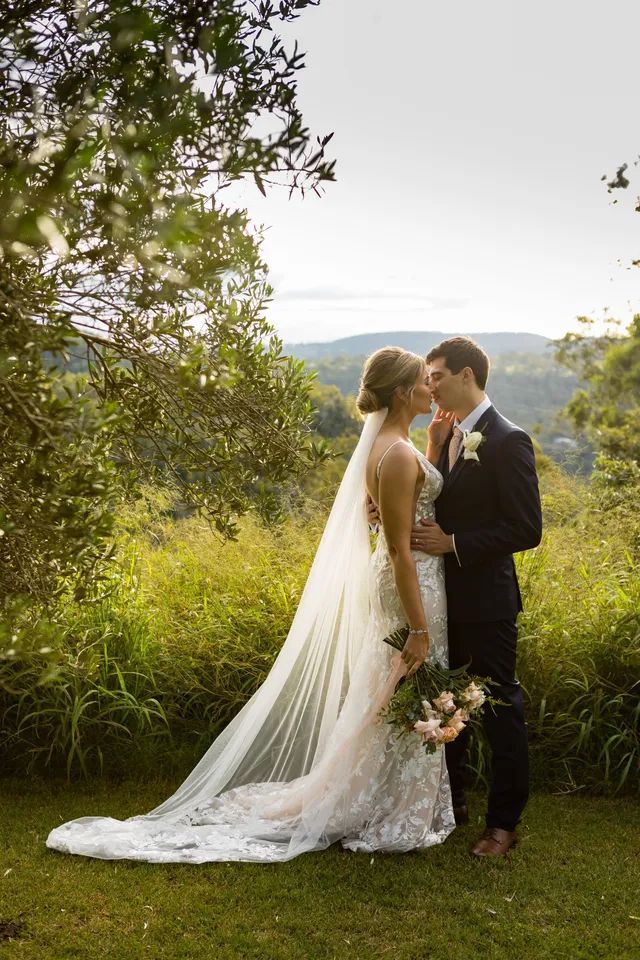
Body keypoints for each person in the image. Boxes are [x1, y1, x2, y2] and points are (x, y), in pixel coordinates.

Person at [46, 347, 458, 864]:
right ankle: (383, 804)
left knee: (387, 686)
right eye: (424, 381)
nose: (431, 389)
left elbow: (384, 517)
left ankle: (375, 796)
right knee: (402, 675)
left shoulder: (390, 444)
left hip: (409, 576)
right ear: (401, 393)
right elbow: (399, 547)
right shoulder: (395, 453)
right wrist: (417, 628)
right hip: (410, 582)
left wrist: (432, 446)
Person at [410, 336, 542, 857]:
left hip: (488, 604)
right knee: (447, 705)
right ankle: (454, 802)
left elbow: (527, 528)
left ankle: (503, 824)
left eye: (437, 374)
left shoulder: (509, 440)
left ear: (468, 376)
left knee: (500, 707)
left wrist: (453, 544)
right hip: (443, 600)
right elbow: (441, 499)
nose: (430, 383)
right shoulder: (449, 434)